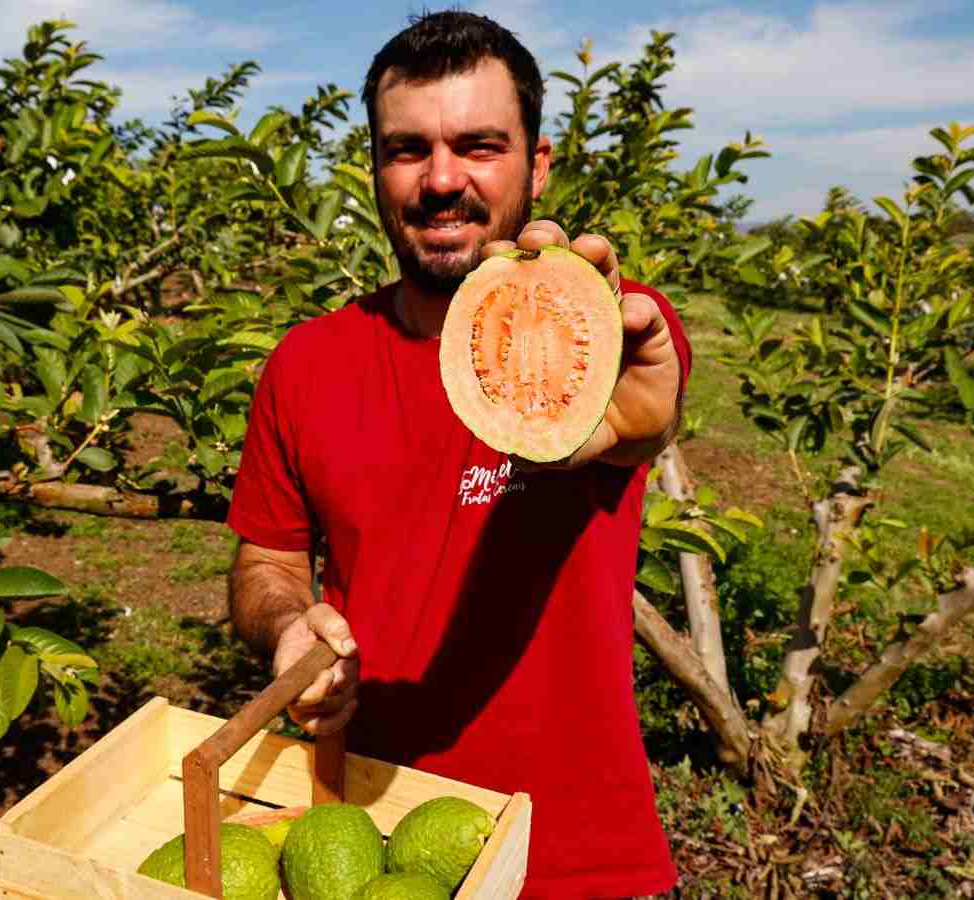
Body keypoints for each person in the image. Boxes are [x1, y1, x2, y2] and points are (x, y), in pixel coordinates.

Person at [226, 11, 690, 897]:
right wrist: (286, 625)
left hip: (578, 857)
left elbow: (638, 424)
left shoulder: (614, 339)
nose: (442, 179)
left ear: (537, 164)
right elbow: (268, 555)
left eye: (479, 145)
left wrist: (613, 430)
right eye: (407, 149)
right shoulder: (305, 363)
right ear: (373, 169)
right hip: (370, 841)